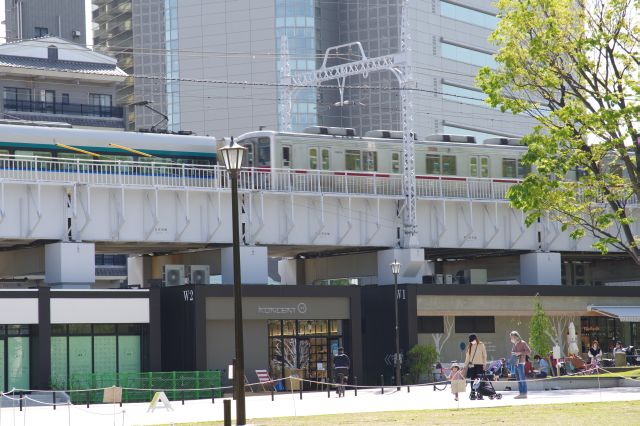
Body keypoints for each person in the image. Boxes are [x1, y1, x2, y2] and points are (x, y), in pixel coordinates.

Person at [463, 334, 487, 400]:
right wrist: (465, 366)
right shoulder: (470, 346)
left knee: (479, 379)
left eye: (472, 340)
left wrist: (484, 364)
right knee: (472, 379)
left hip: (480, 365)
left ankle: (480, 394)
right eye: (471, 341)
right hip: (472, 365)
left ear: (476, 339)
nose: (472, 342)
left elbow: (484, 355)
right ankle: (472, 393)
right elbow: (467, 357)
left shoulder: (481, 345)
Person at [510, 330, 531, 399]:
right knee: (518, 378)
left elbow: (528, 351)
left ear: (516, 337)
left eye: (512, 337)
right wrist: (513, 353)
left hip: (521, 362)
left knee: (522, 378)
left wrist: (520, 353)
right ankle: (521, 393)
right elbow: (514, 352)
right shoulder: (514, 344)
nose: (511, 339)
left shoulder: (523, 343)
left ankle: (524, 393)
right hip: (515, 363)